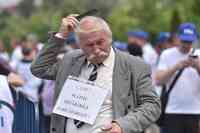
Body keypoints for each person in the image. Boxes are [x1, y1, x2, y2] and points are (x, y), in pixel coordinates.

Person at [31, 15, 161, 133]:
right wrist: (61, 36)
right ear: (79, 45)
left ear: (110, 38)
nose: (96, 49)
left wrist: (121, 126)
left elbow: (152, 105)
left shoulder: (134, 66)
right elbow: (39, 68)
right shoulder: (71, 60)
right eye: (89, 45)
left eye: (100, 42)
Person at [155, 22, 200, 133]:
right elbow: (158, 80)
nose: (187, 44)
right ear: (178, 38)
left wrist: (197, 66)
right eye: (184, 41)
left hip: (195, 111)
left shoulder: (199, 54)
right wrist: (176, 67)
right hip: (172, 111)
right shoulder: (167, 54)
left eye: (189, 41)